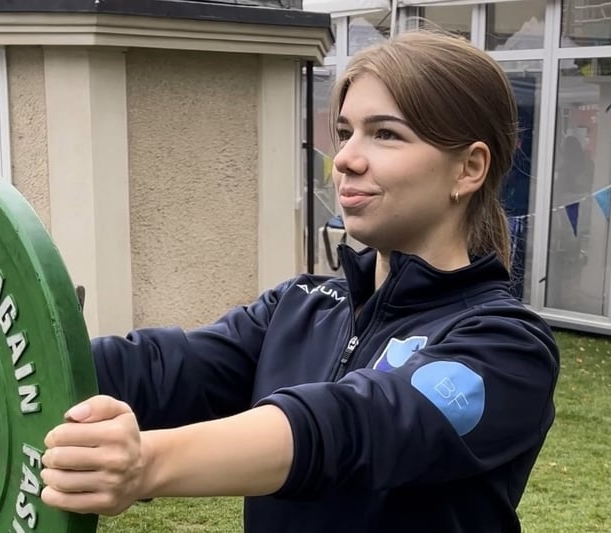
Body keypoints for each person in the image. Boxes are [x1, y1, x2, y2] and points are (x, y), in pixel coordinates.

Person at [40, 31, 559, 533]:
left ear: (468, 169)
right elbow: (159, 370)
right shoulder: (299, 305)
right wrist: (20, 362)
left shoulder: (508, 348)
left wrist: (149, 463)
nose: (347, 160)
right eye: (345, 132)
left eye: (385, 134)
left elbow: (351, 427)